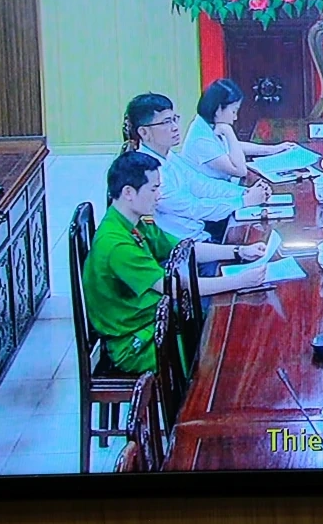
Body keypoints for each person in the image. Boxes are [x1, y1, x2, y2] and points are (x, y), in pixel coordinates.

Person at [82, 151, 269, 375]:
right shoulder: (117, 245)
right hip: (139, 342)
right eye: (153, 189)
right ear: (128, 193)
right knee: (225, 351)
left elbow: (184, 248)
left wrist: (239, 251)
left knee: (231, 326)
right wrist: (239, 281)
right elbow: (174, 287)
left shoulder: (134, 222)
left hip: (159, 319)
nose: (159, 196)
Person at [124, 93, 271, 243]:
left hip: (201, 233)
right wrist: (243, 201)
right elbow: (193, 208)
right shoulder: (148, 172)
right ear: (144, 132)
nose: (175, 127)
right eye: (166, 122)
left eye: (175, 119)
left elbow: (202, 185)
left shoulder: (168, 156)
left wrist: (244, 192)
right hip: (185, 246)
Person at [182, 79, 294, 182]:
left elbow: (233, 146)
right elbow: (240, 170)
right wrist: (229, 131)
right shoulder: (201, 140)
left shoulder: (209, 123)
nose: (235, 117)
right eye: (233, 111)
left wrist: (274, 149)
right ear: (219, 109)